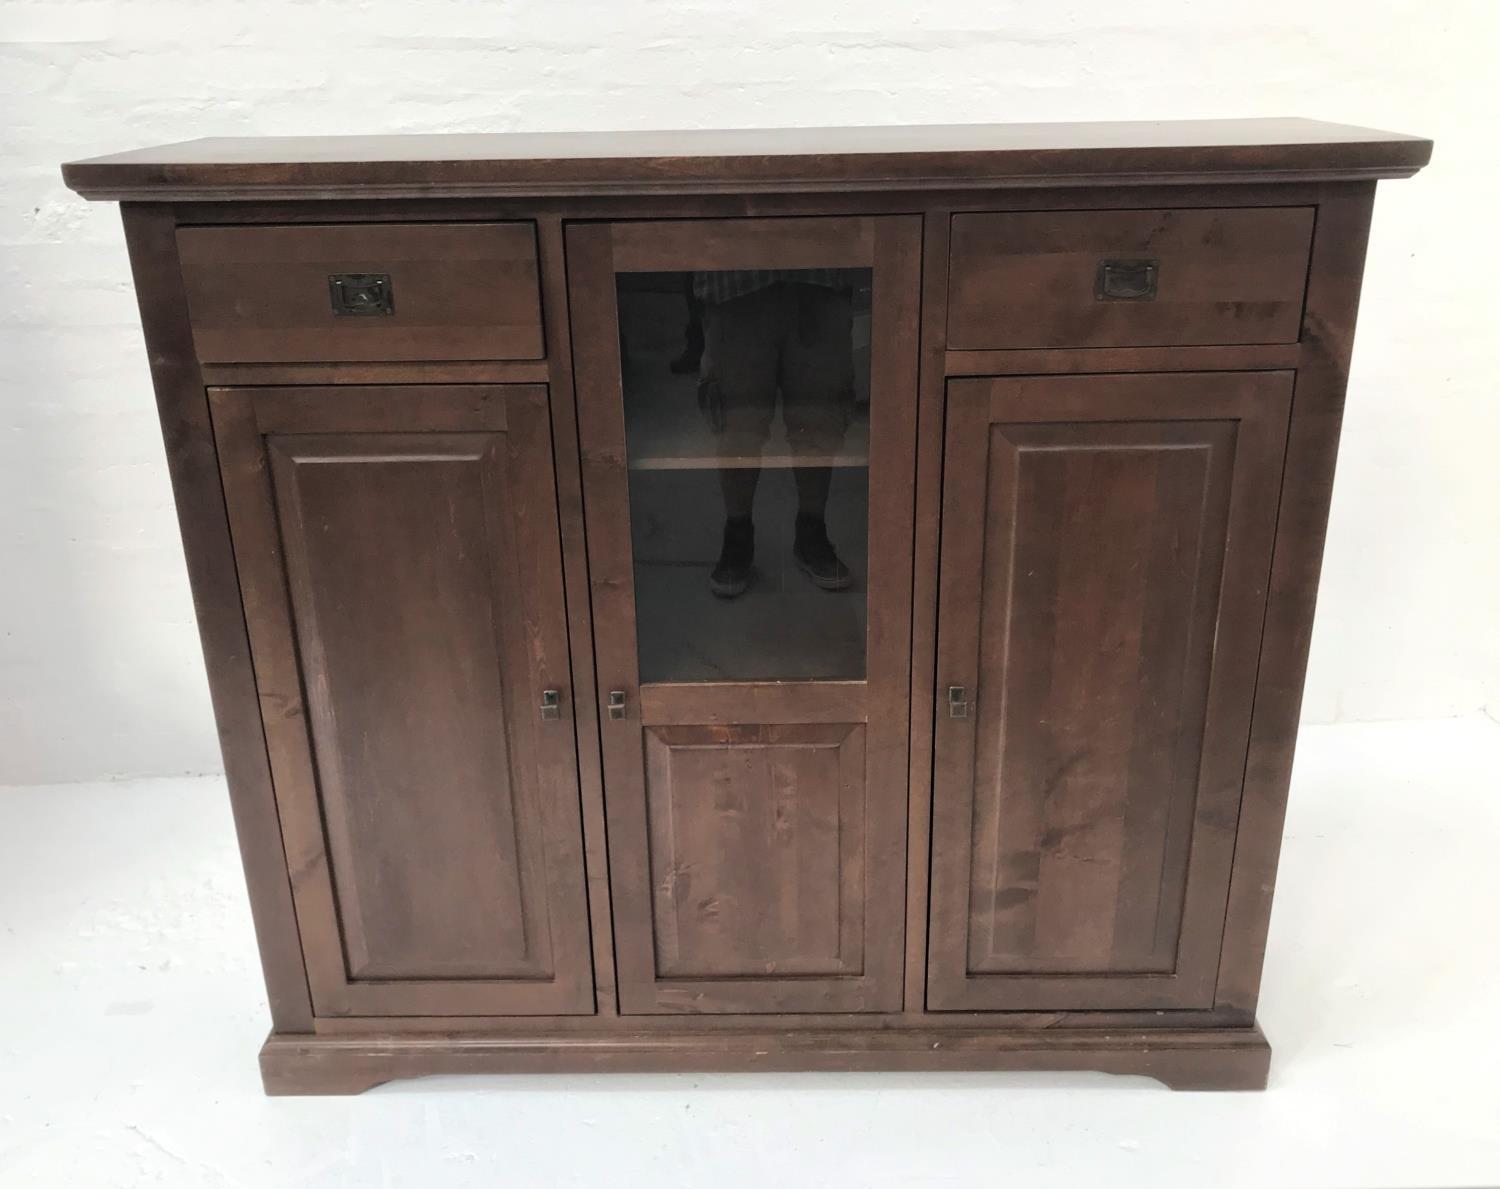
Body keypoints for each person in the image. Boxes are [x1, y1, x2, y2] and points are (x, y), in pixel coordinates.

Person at [691, 269, 857, 598]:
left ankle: (812, 530)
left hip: (820, 270)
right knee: (737, 421)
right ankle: (737, 534)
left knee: (820, 417)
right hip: (735, 277)